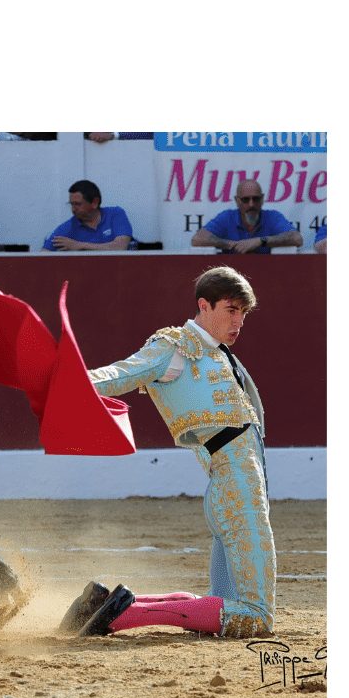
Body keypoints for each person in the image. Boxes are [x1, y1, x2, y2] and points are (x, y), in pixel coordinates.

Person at [77, 266, 275, 639]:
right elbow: (122, 373)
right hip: (236, 489)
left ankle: (106, 603)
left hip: (232, 489)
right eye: (231, 310)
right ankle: (118, 617)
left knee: (223, 600)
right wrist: (69, 381)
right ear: (204, 305)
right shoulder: (176, 348)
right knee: (254, 616)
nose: (239, 322)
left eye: (243, 313)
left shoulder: (217, 354)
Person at [192, 179, 302, 254]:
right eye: (245, 200)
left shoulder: (272, 217)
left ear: (262, 199)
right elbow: (197, 239)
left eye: (256, 199)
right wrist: (231, 244)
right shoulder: (227, 217)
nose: (251, 204)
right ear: (237, 200)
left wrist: (260, 241)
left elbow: (297, 239)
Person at [42, 180, 134, 251]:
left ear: (95, 202)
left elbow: (120, 247)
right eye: (71, 204)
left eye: (77, 204)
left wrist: (79, 246)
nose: (73, 209)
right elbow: (43, 255)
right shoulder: (67, 227)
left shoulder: (115, 214)